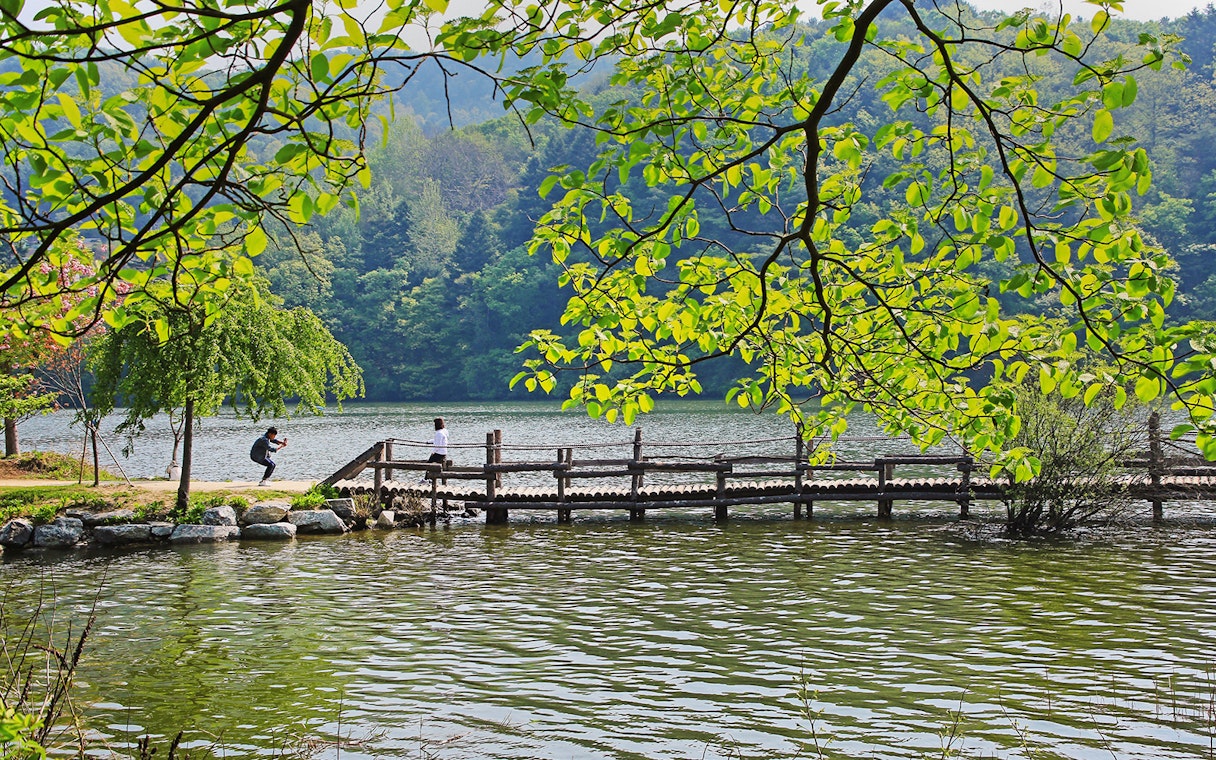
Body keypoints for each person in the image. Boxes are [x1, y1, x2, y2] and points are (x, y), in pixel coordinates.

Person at [421, 417, 447, 482]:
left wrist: (433, 452)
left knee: (428, 465)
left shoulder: (439, 433)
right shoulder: (443, 432)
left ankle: (427, 479)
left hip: (439, 453)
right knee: (435, 467)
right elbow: (436, 441)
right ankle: (429, 479)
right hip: (443, 453)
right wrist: (429, 441)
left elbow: (437, 446)